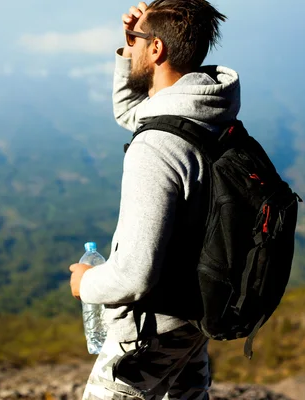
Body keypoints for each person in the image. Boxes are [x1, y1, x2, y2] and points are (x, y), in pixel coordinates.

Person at [69, 1, 239, 398]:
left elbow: (134, 275)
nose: (132, 46)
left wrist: (86, 283)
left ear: (157, 49)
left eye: (139, 40)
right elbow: (133, 112)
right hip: (194, 314)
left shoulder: (156, 148)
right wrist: (131, 47)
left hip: (151, 329)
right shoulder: (211, 113)